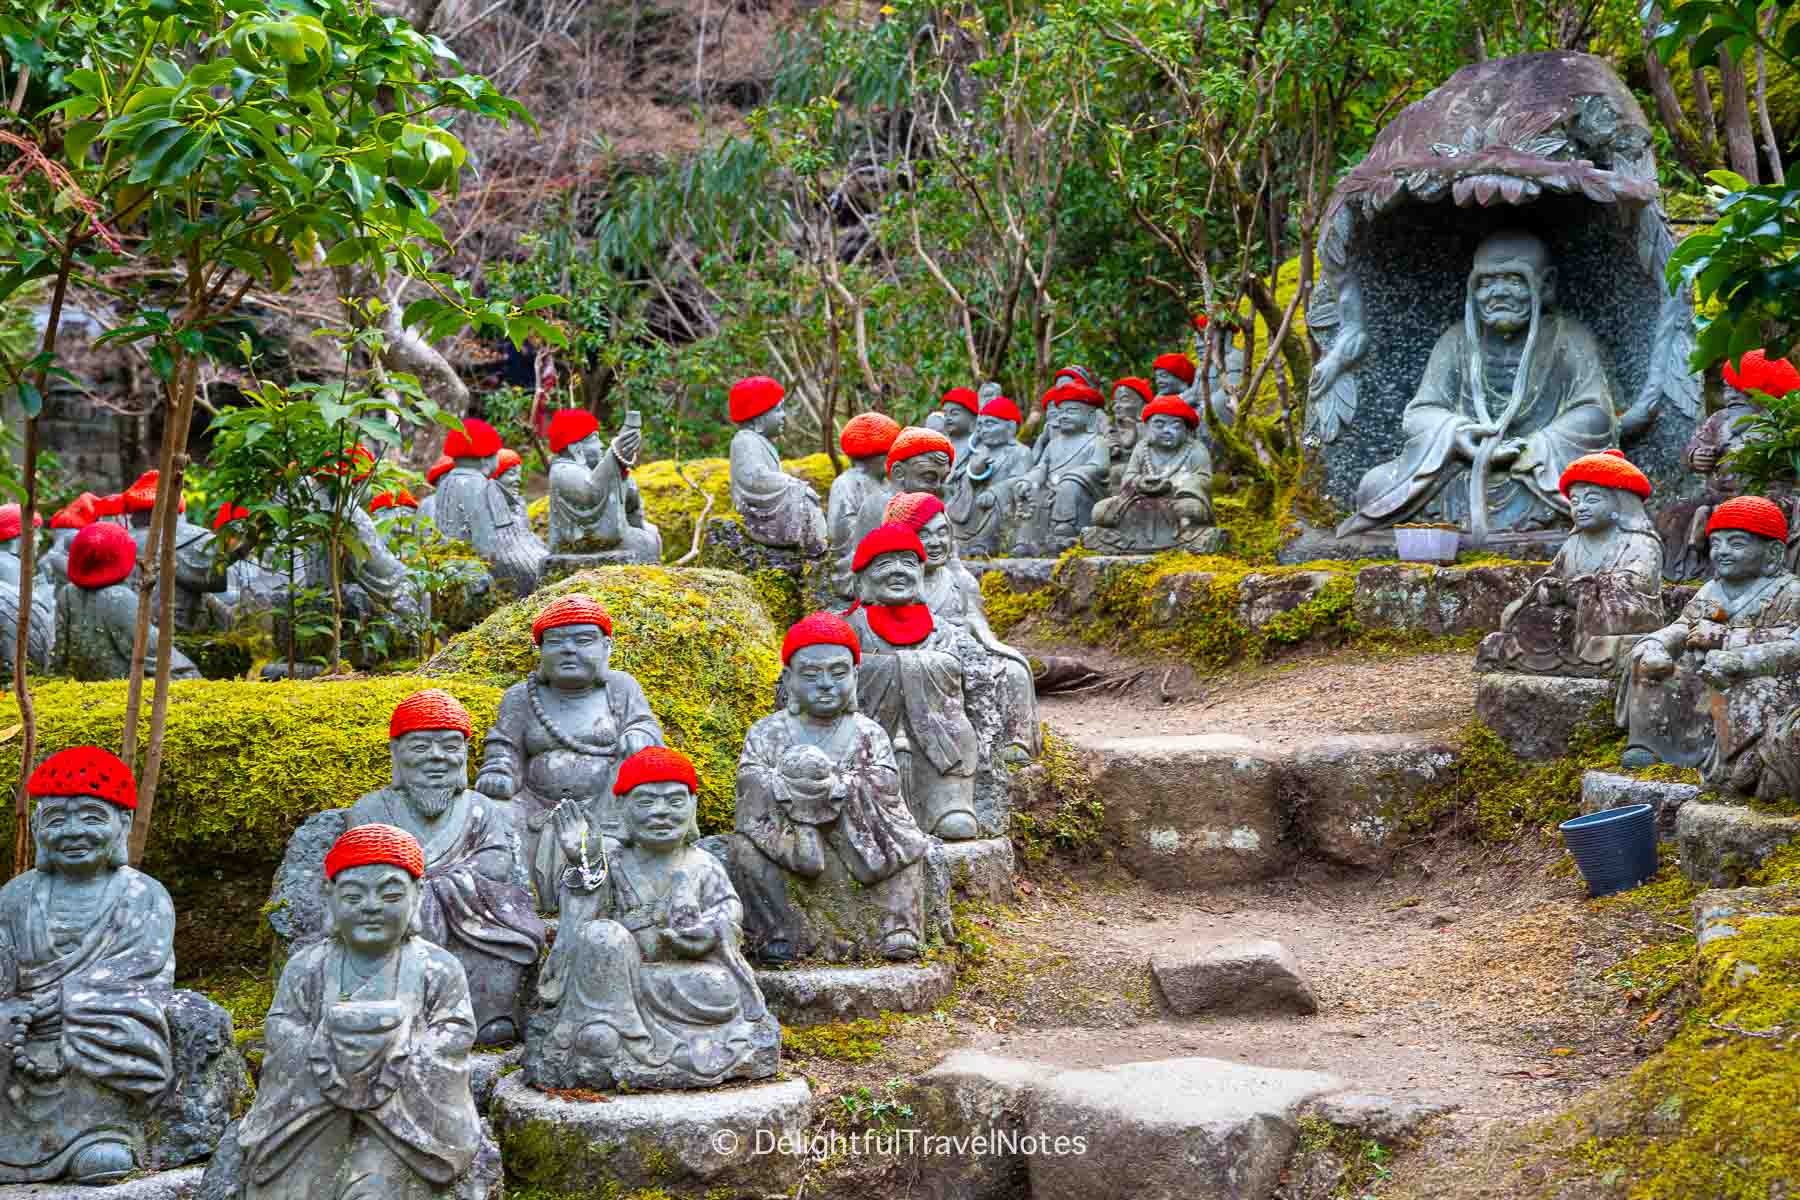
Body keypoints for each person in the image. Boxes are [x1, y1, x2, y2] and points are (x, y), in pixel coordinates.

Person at [234, 824, 484, 1200]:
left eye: (390, 894)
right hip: (315, 1113)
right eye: (353, 895)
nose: (371, 906)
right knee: (290, 1188)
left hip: (403, 1122)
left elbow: (455, 1032)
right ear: (331, 899)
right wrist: (324, 1049)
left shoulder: (438, 967)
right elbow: (281, 1026)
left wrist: (398, 1053)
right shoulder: (308, 966)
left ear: (416, 897)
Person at [1337, 230, 1616, 543]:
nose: (1497, 293)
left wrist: (1534, 447)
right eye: (1485, 282)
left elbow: (1595, 413)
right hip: (1462, 469)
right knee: (1373, 486)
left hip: (1536, 470)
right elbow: (1420, 413)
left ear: (1546, 284)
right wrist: (1458, 435)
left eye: (1513, 280)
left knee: (1600, 490)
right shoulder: (1456, 341)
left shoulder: (1568, 338)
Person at [528, 747, 776, 1090]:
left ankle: (611, 1029)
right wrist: (584, 861)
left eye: (674, 801)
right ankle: (608, 1026)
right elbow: (582, 917)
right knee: (601, 935)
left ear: (692, 808)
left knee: (719, 988)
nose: (661, 812)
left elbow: (727, 911)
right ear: (622, 809)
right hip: (620, 976)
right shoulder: (612, 860)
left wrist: (707, 932)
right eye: (646, 802)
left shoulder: (703, 864)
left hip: (678, 975)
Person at [0, 747, 175, 1184]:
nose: (73, 832)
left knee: (109, 1028)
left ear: (122, 825)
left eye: (92, 817)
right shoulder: (16, 898)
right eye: (57, 820)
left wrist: (64, 1002)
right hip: (21, 1031)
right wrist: (13, 1009)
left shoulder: (143, 895)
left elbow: (143, 972)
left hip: (97, 1024)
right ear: (39, 828)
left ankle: (99, 1136)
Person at [345, 690, 546, 1044]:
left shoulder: (482, 808)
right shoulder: (371, 810)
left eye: (450, 747)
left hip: (476, 920)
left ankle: (487, 1018)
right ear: (396, 754)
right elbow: (364, 870)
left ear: (465, 755)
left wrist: (439, 886)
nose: (436, 758)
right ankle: (404, 1013)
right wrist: (418, 894)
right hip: (402, 925)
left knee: (504, 957)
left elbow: (497, 864)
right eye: (421, 747)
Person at [732, 612, 932, 963]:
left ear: (856, 677)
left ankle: (896, 927)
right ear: (789, 680)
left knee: (907, 845)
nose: (825, 684)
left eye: (838, 673)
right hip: (790, 839)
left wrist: (834, 787)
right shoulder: (767, 732)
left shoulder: (869, 733)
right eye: (811, 674)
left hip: (855, 839)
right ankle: (777, 931)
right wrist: (788, 789)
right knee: (743, 848)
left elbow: (884, 785)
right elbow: (751, 782)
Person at [476, 594, 664, 909]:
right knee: (493, 815)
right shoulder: (521, 697)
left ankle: (621, 898)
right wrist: (499, 771)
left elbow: (645, 726)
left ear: (606, 647)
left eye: (583, 640)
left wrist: (638, 736)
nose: (568, 649)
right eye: (556, 641)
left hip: (606, 802)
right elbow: (503, 744)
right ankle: (516, 903)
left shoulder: (620, 688)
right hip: (534, 804)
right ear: (541, 652)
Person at [1617, 496, 1800, 773]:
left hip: (1758, 674)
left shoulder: (1790, 592)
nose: (1722, 552)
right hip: (1705, 674)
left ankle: (1729, 761)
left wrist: (1728, 643)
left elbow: (1793, 644)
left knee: (1742, 687)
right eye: (1715, 543)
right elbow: (1685, 626)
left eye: (1736, 543)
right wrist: (1657, 642)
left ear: (1773, 553)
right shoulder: (1711, 590)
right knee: (1653, 662)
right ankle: (1649, 743)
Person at [843, 523, 981, 839]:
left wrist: (906, 668)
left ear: (921, 573)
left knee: (956, 725)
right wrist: (902, 668)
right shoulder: (849, 628)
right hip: (871, 727)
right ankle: (870, 811)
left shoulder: (941, 630)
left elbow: (952, 675)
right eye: (884, 564)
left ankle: (947, 804)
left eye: (907, 563)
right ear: (861, 579)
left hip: (936, 731)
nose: (898, 572)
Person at [1478, 450, 1664, 675]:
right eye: (1575, 501)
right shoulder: (1572, 543)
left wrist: (1592, 587)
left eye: (1592, 499)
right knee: (1531, 617)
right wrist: (1549, 589)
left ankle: (1575, 655)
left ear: (1621, 503)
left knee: (1603, 630)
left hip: (1613, 613)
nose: (1581, 507)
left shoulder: (1640, 541)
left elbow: (1639, 584)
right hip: (1573, 611)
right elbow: (1552, 576)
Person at [888, 491, 1040, 761]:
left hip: (964, 651)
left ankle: (1015, 740)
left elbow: (976, 620)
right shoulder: (896, 579)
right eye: (924, 535)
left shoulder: (959, 580)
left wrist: (980, 637)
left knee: (1014, 670)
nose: (935, 542)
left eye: (942, 533)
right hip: (924, 658)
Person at [55, 522, 200, 681]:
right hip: (122, 691)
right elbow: (159, 657)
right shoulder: (119, 598)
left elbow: (60, 657)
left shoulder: (67, 593)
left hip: (89, 688)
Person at [1084, 394, 1219, 553]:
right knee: (1099, 511)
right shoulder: (1142, 448)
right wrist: (1140, 482)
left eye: (1175, 426)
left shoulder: (1196, 449)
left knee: (1190, 509)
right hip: (1140, 499)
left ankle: (1182, 537)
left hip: (1177, 500)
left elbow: (1203, 478)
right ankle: (1133, 538)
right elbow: (1129, 476)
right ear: (1147, 428)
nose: (1167, 431)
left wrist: (1175, 486)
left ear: (1187, 430)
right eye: (1159, 425)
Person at [545, 409, 661, 563]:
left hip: (596, 540)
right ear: (575, 447)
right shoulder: (562, 471)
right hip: (577, 543)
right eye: (594, 439)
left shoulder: (587, 469)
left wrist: (620, 467)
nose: (600, 445)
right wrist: (614, 456)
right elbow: (591, 493)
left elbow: (628, 498)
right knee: (644, 543)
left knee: (651, 533)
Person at [726, 376, 827, 554]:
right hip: (755, 513)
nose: (784, 415)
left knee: (804, 498)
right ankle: (816, 551)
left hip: (770, 504)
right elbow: (755, 478)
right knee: (803, 498)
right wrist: (792, 484)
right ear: (758, 416)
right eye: (778, 410)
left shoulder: (761, 441)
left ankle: (819, 547)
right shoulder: (744, 440)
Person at [1013, 383, 1110, 556]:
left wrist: (1072, 476)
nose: (1063, 416)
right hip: (1052, 490)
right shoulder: (1053, 444)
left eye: (1071, 411)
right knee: (1033, 490)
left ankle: (1064, 532)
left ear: (1090, 417)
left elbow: (1100, 466)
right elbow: (1042, 468)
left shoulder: (1097, 441)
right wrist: (1028, 480)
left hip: (1082, 492)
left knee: (1069, 484)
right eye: (1061, 412)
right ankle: (1026, 540)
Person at [826, 412, 902, 601]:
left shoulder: (888, 484)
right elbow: (840, 534)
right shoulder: (845, 484)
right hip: (858, 561)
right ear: (878, 456)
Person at [946, 397, 1033, 558]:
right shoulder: (979, 451)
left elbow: (1020, 479)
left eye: (990, 424)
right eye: (980, 425)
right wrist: (975, 469)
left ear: (1010, 427)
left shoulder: (1021, 452)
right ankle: (959, 542)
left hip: (1002, 505)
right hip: (973, 505)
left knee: (1001, 501)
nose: (983, 430)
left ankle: (985, 542)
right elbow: (968, 481)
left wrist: (994, 492)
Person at [938, 387, 979, 466]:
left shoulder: (977, 444)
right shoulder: (941, 445)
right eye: (945, 414)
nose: (948, 418)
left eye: (954, 413)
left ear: (973, 417)